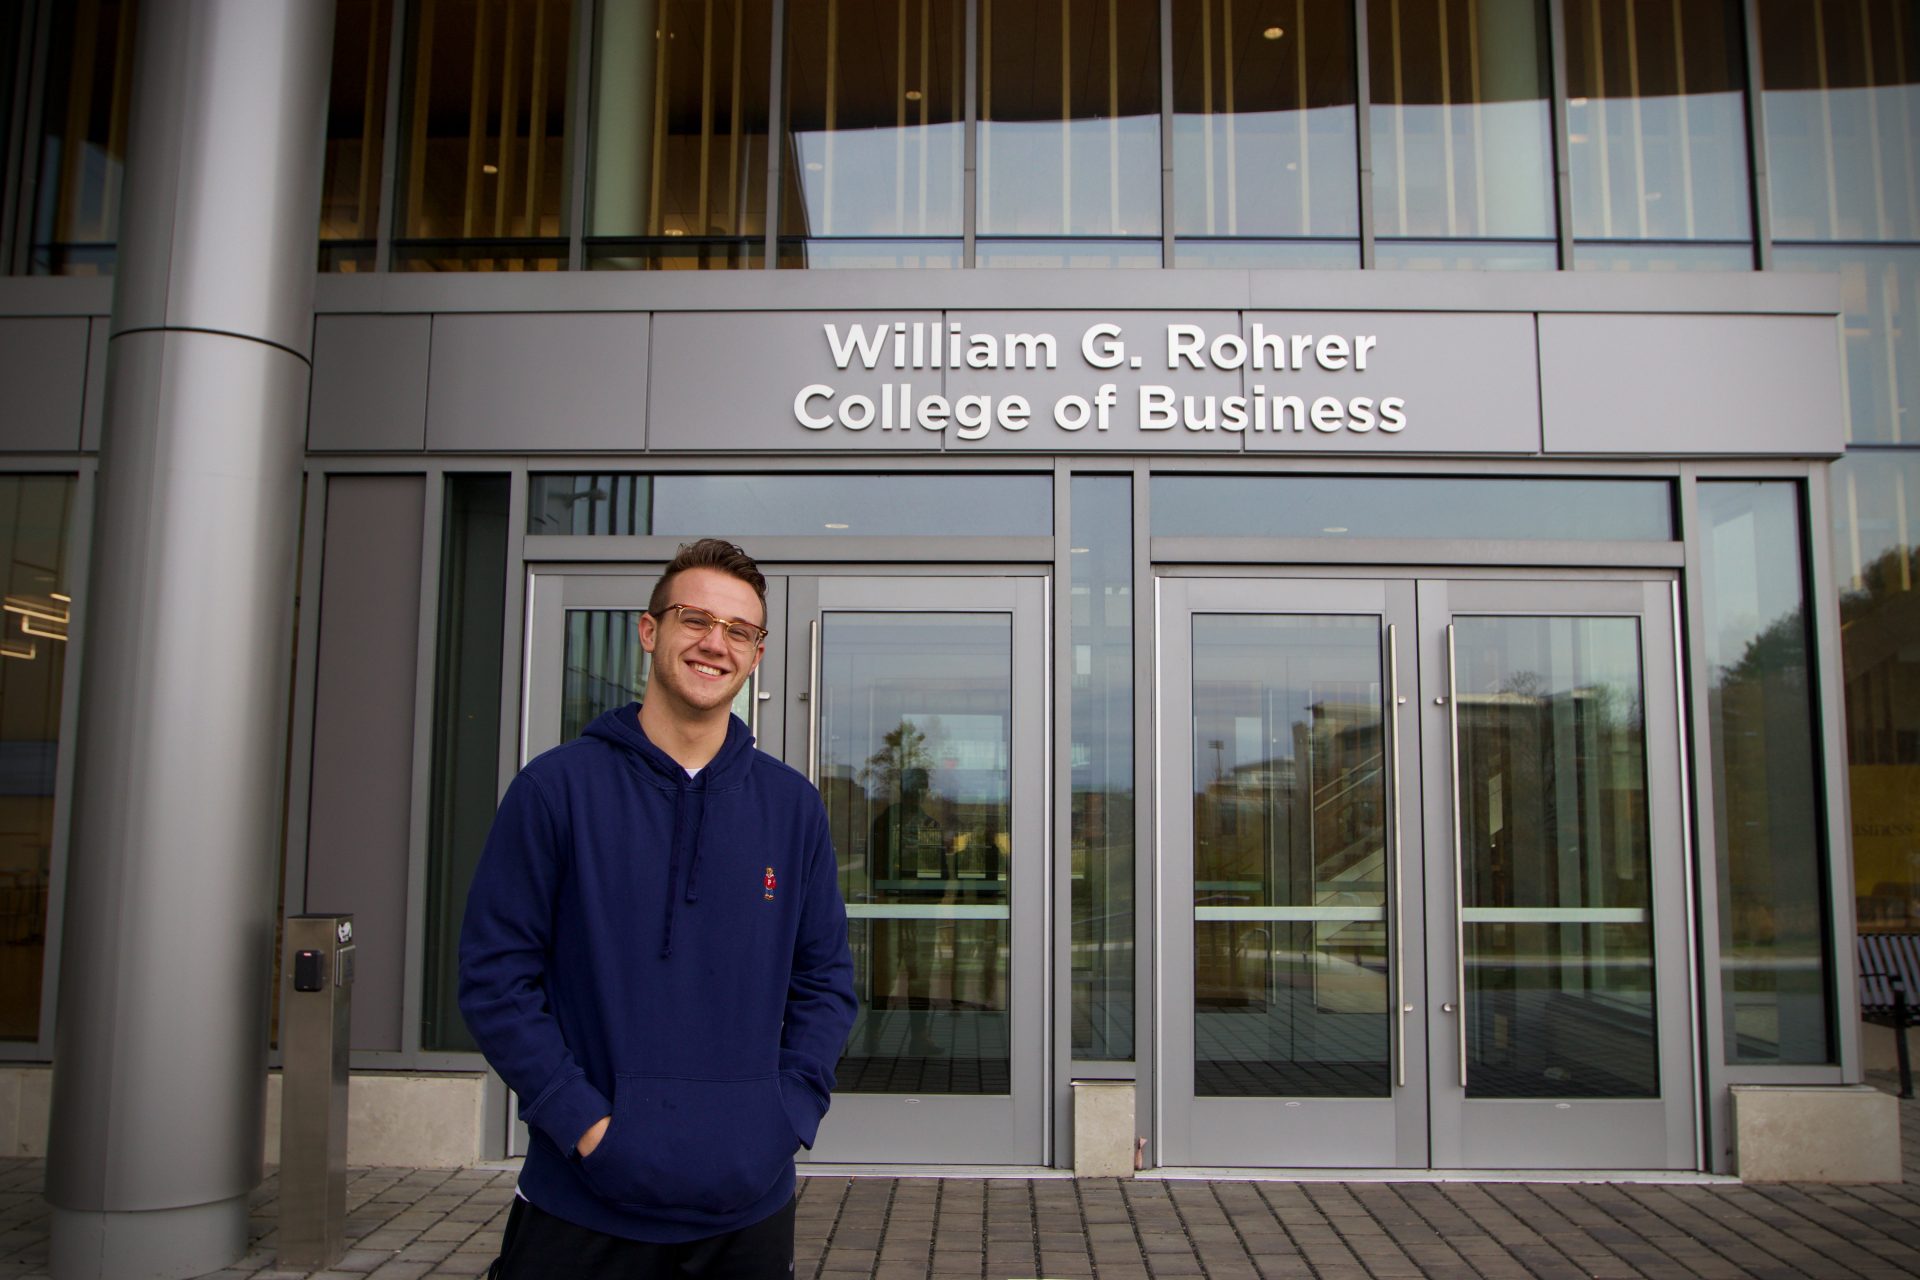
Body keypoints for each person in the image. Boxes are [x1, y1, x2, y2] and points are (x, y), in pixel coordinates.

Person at [459, 538, 858, 1278]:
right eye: (695, 619)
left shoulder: (791, 808)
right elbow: (495, 980)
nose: (716, 644)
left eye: (739, 631)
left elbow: (825, 982)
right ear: (650, 631)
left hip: (748, 1214)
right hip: (580, 1205)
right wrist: (583, 1123)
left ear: (758, 654)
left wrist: (785, 1116)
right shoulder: (556, 791)